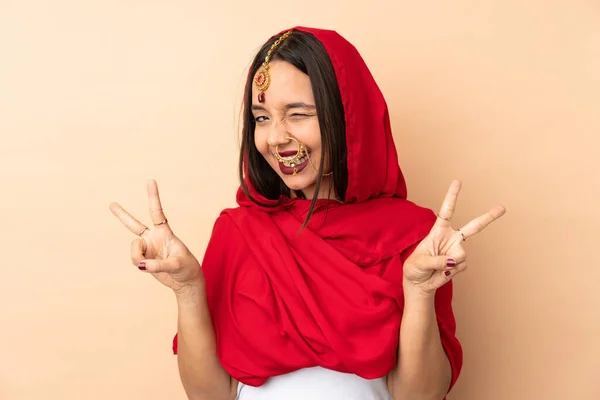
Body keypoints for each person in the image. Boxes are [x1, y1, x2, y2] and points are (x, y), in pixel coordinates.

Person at [110, 26, 506, 400]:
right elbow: (210, 394)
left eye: (297, 114)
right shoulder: (238, 231)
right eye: (261, 119)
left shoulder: (417, 237)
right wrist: (188, 289)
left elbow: (420, 396)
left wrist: (418, 292)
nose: (275, 137)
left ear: (347, 118)